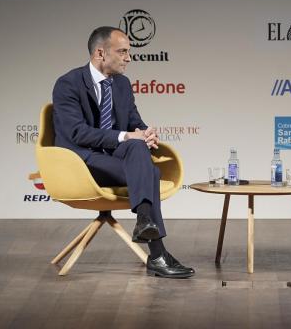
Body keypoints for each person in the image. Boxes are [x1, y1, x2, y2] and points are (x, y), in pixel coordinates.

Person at [52, 26, 194, 279]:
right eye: (123, 52)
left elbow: (132, 122)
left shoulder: (122, 84)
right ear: (100, 53)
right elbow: (76, 133)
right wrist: (127, 136)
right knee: (148, 170)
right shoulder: (68, 84)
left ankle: (146, 224)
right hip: (80, 163)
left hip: (113, 160)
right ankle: (157, 253)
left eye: (129, 52)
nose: (129, 58)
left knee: (139, 147)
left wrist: (144, 132)